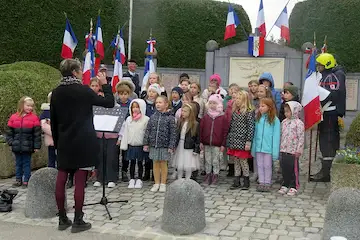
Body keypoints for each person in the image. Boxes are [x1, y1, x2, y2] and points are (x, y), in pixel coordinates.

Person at [50, 59, 114, 233]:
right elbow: (109, 102)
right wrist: (105, 84)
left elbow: (54, 121)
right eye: (79, 70)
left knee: (61, 179)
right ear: (74, 72)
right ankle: (78, 219)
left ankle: (62, 218)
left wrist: (57, 144)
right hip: (83, 141)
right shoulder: (83, 90)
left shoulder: (56, 93)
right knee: (79, 181)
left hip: (64, 141)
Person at [310, 53, 346, 182]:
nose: (318, 67)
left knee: (328, 143)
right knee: (325, 142)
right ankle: (326, 171)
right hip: (326, 114)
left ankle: (327, 173)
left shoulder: (331, 77)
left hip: (329, 114)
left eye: (320, 65)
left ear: (327, 65)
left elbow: (332, 95)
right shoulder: (326, 76)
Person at [143, 96, 177, 192]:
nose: (158, 104)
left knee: (163, 163)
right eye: (157, 102)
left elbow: (173, 133)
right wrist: (146, 143)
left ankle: (163, 183)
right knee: (155, 163)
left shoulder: (170, 118)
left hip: (164, 145)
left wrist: (171, 145)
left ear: (166, 104)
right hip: (154, 144)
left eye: (160, 102)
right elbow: (148, 131)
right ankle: (156, 182)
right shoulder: (153, 117)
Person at [6, 96, 41, 187]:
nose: (30, 108)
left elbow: (37, 134)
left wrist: (36, 146)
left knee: (26, 163)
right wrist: (11, 142)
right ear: (22, 105)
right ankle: (18, 179)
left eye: (31, 106)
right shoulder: (13, 117)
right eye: (28, 105)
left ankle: (27, 179)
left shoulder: (34, 118)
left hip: (28, 146)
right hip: (17, 145)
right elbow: (9, 132)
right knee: (18, 163)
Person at [227, 91, 255, 190]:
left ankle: (246, 180)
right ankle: (236, 180)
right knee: (236, 162)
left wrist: (248, 141)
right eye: (236, 99)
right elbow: (232, 127)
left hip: (243, 141)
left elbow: (251, 128)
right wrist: (230, 139)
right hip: (235, 141)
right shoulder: (235, 111)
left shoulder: (248, 112)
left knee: (243, 162)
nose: (237, 100)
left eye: (239, 99)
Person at [251, 98, 281, 192]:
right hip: (259, 148)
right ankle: (261, 182)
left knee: (267, 165)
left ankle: (267, 182)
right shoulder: (258, 119)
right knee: (259, 165)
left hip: (268, 148)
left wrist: (275, 151)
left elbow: (276, 137)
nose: (260, 108)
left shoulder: (275, 120)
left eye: (263, 106)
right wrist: (254, 147)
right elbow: (255, 134)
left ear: (269, 107)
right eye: (260, 106)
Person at [121, 99, 150, 189]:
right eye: (133, 107)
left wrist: (147, 144)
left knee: (140, 162)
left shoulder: (146, 119)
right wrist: (124, 144)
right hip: (131, 145)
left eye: (137, 107)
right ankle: (132, 178)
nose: (135, 109)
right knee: (132, 162)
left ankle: (139, 179)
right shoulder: (129, 119)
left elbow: (147, 133)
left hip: (141, 145)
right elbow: (125, 132)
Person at [200, 94, 228, 185]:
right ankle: (208, 174)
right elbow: (201, 129)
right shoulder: (206, 117)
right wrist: (201, 141)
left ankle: (215, 174)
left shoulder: (222, 117)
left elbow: (225, 131)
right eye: (210, 103)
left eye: (214, 103)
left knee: (216, 160)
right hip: (207, 143)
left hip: (217, 143)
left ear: (219, 104)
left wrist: (223, 144)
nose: (212, 105)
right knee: (207, 160)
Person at [278, 101, 304, 196]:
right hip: (284, 149)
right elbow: (281, 135)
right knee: (285, 168)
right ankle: (285, 183)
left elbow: (301, 137)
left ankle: (294, 185)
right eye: (285, 112)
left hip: (293, 151)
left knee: (293, 169)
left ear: (295, 111)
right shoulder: (284, 122)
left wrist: (299, 150)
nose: (286, 114)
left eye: (288, 111)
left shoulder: (299, 123)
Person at [114, 79, 136, 183]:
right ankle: (115, 171)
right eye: (121, 94)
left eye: (125, 94)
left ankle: (124, 171)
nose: (123, 96)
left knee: (126, 154)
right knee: (115, 152)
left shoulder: (131, 105)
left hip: (127, 132)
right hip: (116, 132)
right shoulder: (116, 104)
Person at [173, 104, 200, 180]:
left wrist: (196, 149)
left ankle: (188, 179)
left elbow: (197, 139)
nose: (183, 113)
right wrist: (174, 145)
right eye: (182, 111)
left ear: (190, 113)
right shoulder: (180, 122)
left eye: (185, 111)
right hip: (180, 145)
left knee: (188, 164)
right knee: (180, 163)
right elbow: (177, 135)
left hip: (189, 147)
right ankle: (179, 178)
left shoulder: (195, 124)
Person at [143, 83, 161, 181]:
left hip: (156, 132)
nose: (151, 93)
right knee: (147, 154)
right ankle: (146, 172)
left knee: (155, 154)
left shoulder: (158, 104)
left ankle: (155, 173)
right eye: (150, 91)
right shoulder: (144, 104)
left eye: (153, 92)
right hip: (147, 131)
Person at [40, 92, 56, 168]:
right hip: (51, 139)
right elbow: (44, 125)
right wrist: (55, 132)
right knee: (51, 158)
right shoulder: (46, 112)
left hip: (62, 139)